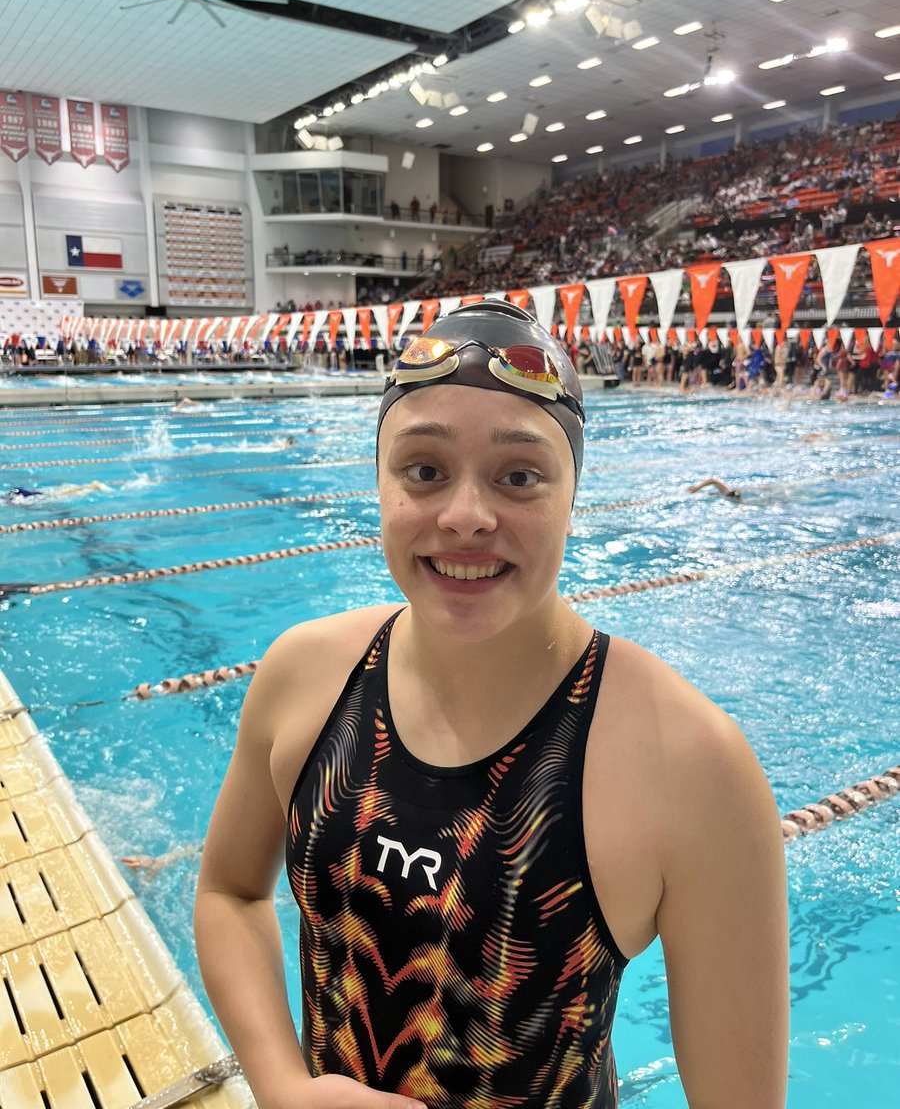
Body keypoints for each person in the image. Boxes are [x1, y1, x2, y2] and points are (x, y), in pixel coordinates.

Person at [195, 302, 789, 1109]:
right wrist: (281, 1087)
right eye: (425, 470)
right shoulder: (305, 674)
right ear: (380, 484)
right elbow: (228, 893)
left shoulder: (691, 766)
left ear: (573, 494)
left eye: (519, 476)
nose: (466, 515)